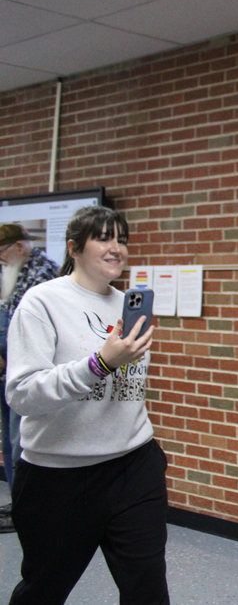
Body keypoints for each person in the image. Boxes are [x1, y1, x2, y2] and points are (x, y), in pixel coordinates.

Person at [5, 206, 168, 605]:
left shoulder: (127, 304)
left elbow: (127, 388)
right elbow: (23, 394)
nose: (117, 249)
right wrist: (100, 363)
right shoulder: (42, 302)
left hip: (134, 463)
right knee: (44, 588)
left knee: (146, 586)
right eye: (104, 238)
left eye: (122, 239)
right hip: (61, 475)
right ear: (74, 247)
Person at [0, 223, 60, 534]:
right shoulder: (13, 271)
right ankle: (17, 500)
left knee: (18, 440)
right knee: (7, 442)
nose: (1, 260)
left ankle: (26, 505)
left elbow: (33, 333)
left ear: (20, 248)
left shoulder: (43, 274)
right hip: (6, 370)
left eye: (2, 253)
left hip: (25, 371)